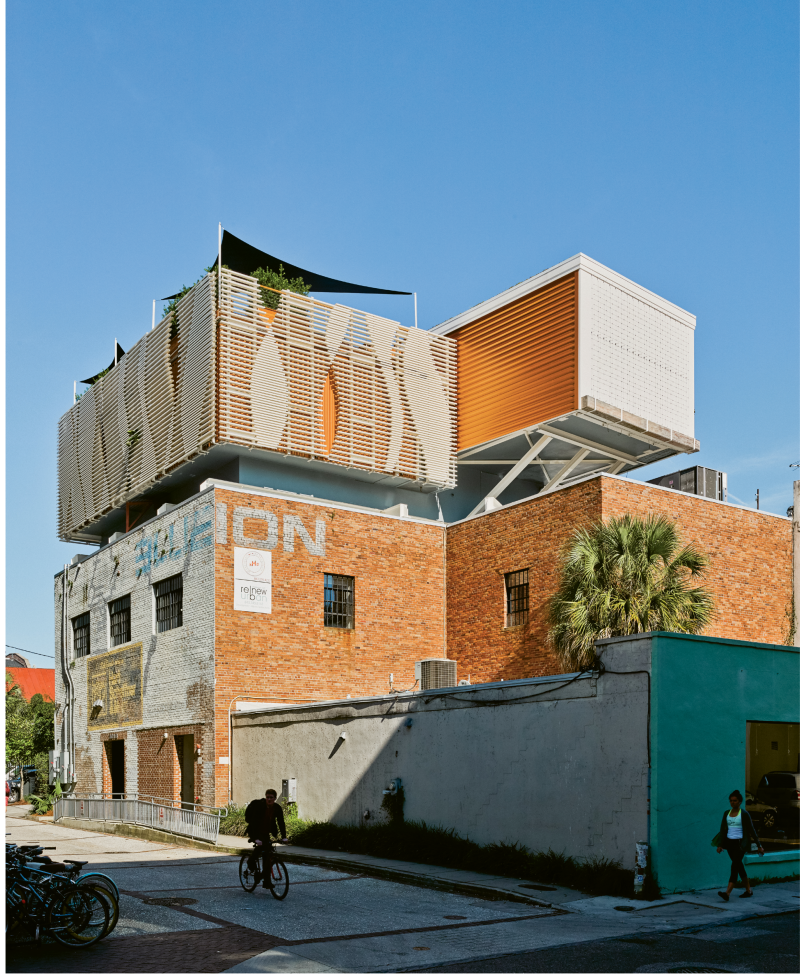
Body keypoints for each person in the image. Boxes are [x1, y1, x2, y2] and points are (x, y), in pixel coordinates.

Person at [716, 789, 764, 900]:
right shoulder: (726, 813)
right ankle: (748, 890)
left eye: (735, 800)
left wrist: (759, 845)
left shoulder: (744, 814)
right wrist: (720, 845)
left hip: (740, 844)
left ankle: (727, 893)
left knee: (734, 866)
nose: (732, 802)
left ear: (740, 802)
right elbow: (722, 830)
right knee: (739, 866)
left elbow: (752, 830)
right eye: (731, 801)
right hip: (730, 844)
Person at [245, 788, 288, 887]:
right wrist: (256, 838)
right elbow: (254, 822)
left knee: (268, 854)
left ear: (275, 798)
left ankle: (266, 882)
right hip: (255, 830)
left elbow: (281, 822)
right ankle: (250, 861)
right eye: (267, 797)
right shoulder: (260, 806)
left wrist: (284, 837)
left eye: (271, 797)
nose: (269, 799)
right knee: (261, 847)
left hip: (266, 832)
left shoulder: (277, 808)